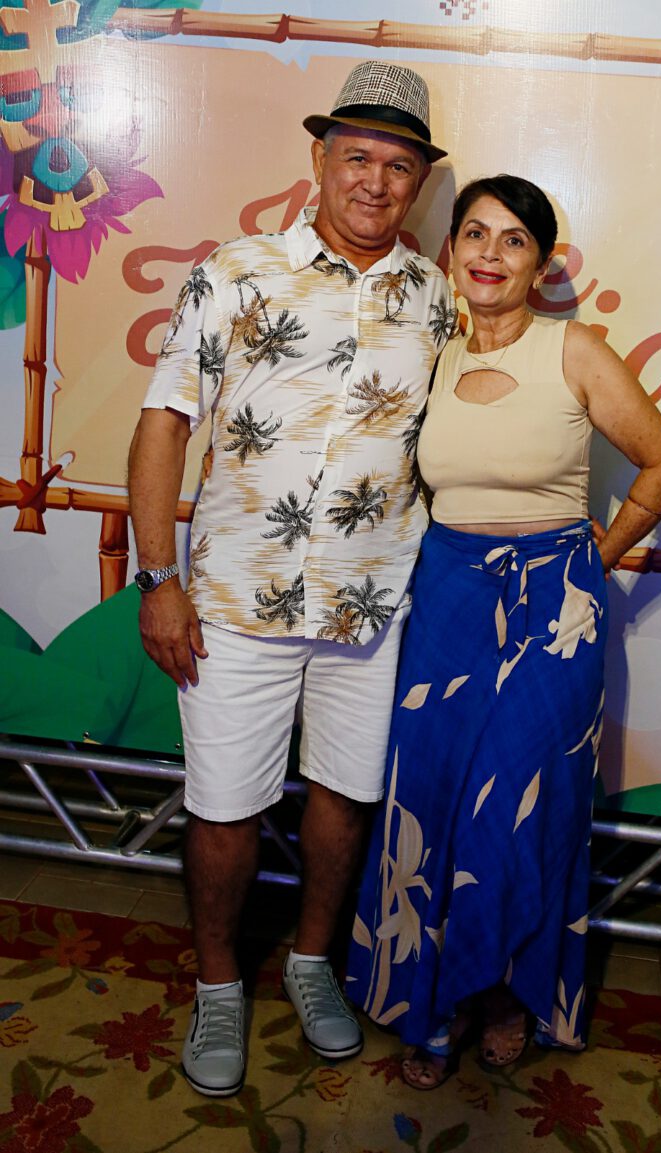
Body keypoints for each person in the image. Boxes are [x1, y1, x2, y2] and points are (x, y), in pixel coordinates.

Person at [127, 60, 455, 1098]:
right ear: (319, 158)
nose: (375, 181)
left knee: (346, 798)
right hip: (234, 598)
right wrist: (156, 576)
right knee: (224, 804)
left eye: (398, 165)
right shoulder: (235, 271)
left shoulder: (439, 300)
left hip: (372, 604)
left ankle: (312, 964)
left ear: (419, 182)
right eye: (357, 156)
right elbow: (163, 422)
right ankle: (219, 984)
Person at [345, 174, 661, 1089]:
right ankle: (433, 1000)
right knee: (431, 797)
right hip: (448, 598)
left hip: (554, 609)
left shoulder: (575, 350)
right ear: (452, 250)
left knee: (522, 805)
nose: (490, 254)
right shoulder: (434, 357)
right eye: (475, 234)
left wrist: (591, 562)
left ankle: (505, 994)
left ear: (540, 264)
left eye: (513, 240)